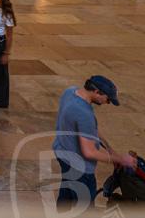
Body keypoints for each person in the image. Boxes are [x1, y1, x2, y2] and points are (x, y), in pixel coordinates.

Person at [53, 76, 135, 208]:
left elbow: (90, 130)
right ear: (97, 92)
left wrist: (110, 150)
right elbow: (89, 152)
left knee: (67, 195)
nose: (107, 102)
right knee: (85, 208)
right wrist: (121, 159)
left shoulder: (70, 92)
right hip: (80, 166)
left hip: (63, 153)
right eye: (108, 99)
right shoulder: (84, 113)